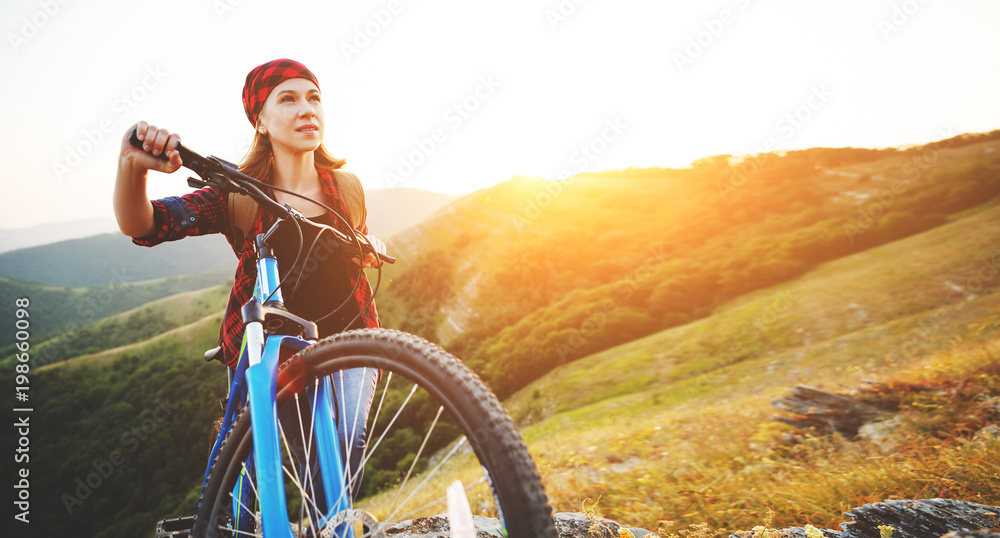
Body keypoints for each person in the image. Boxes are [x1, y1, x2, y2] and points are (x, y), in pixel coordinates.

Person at [113, 58, 383, 505]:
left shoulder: (347, 187)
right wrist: (133, 166)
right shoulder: (237, 194)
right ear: (260, 120)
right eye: (289, 99)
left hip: (352, 339)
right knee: (286, 463)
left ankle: (329, 528)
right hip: (275, 350)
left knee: (342, 450)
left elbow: (351, 245)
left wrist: (367, 245)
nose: (307, 109)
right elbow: (145, 224)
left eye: (314, 98)